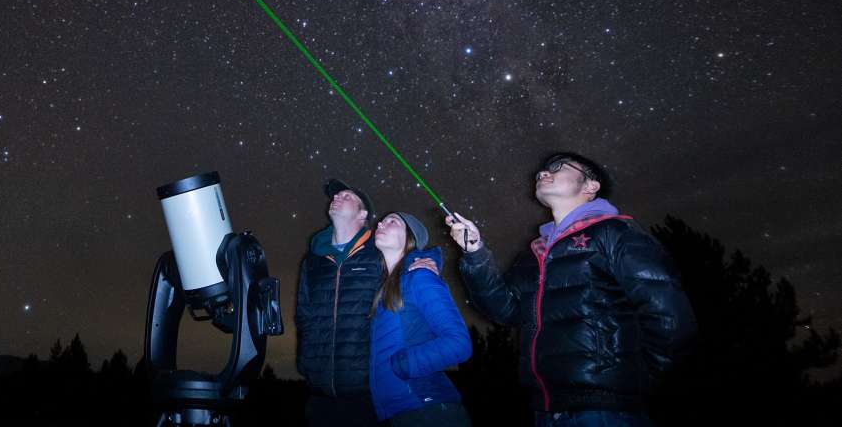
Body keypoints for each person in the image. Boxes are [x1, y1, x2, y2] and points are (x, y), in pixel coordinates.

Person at [446, 152, 697, 427]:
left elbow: (669, 316)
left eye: (557, 168)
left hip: (606, 410)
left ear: (590, 187)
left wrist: (637, 379)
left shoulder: (614, 233)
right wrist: (475, 253)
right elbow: (505, 310)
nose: (542, 173)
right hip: (546, 408)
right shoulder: (535, 254)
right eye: (542, 170)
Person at [296, 179, 437, 427]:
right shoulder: (313, 260)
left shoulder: (378, 252)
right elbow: (303, 313)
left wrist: (429, 259)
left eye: (347, 196)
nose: (336, 198)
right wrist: (306, 364)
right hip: (318, 392)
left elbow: (409, 247)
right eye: (335, 196)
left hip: (367, 393)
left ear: (362, 214)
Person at [369, 212, 472, 426]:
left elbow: (459, 343)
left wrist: (404, 365)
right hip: (397, 412)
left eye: (392, 221)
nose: (380, 222)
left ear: (409, 238)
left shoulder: (421, 276)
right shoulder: (383, 291)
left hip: (428, 409)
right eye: (382, 220)